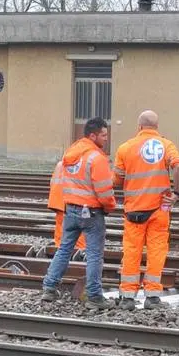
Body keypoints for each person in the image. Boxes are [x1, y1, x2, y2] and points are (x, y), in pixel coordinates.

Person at [40, 117, 116, 309]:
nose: (106, 139)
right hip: (91, 212)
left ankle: (49, 287)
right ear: (93, 135)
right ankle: (94, 296)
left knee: (64, 249)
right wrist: (109, 207)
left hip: (71, 210)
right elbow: (104, 192)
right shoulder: (96, 158)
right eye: (104, 135)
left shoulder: (71, 154)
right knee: (94, 255)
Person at [113, 110, 179, 310]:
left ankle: (127, 297)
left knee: (131, 252)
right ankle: (152, 297)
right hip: (158, 210)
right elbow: (178, 167)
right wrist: (177, 193)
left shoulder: (125, 148)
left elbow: (116, 180)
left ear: (139, 127)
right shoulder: (165, 144)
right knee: (156, 251)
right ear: (156, 126)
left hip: (133, 210)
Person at [47, 156, 85, 257]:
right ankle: (78, 252)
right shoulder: (76, 165)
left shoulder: (61, 164)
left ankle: (59, 249)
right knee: (77, 229)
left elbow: (52, 182)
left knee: (61, 228)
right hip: (68, 200)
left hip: (57, 199)